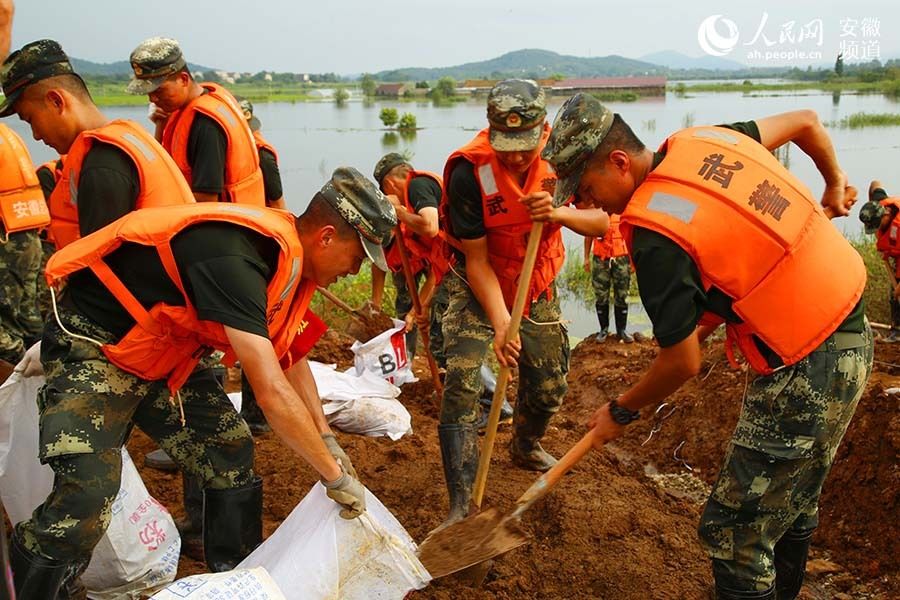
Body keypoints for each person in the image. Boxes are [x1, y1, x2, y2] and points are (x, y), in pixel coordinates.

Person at [540, 93, 871, 600]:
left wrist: (620, 410)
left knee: (733, 531)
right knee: (793, 502)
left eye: (584, 189)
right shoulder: (706, 142)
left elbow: (683, 363)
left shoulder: (651, 234)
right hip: (850, 327)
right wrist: (831, 182)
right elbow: (806, 122)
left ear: (620, 162)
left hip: (804, 363)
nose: (584, 204)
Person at [7, 167, 394, 598]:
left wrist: (327, 439)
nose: (354, 271)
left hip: (161, 351)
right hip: (97, 347)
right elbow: (270, 390)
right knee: (85, 499)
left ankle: (239, 581)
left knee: (227, 447)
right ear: (326, 236)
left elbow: (291, 355)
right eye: (357, 259)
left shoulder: (288, 265)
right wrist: (332, 476)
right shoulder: (238, 259)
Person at [438, 79, 607, 526]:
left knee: (549, 384)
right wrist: (500, 323)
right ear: (490, 128)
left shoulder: (565, 158)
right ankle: (460, 504)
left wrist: (559, 214)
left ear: (543, 129)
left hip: (537, 281)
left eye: (525, 147)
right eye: (506, 145)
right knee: (462, 379)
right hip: (481, 284)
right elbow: (476, 260)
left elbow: (603, 220)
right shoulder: (467, 172)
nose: (514, 157)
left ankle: (525, 445)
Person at [0, 40, 195, 251]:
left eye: (30, 120)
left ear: (56, 101)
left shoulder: (102, 163)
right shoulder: (129, 138)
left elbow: (101, 270)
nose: (36, 135)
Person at [126, 37, 264, 205]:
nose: (153, 98)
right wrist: (160, 127)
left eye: (159, 91)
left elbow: (207, 200)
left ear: (183, 79)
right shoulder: (183, 110)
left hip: (223, 226)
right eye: (148, 92)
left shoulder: (205, 124)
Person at [371, 152, 442, 360]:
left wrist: (419, 309)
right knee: (404, 312)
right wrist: (375, 303)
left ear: (389, 184)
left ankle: (451, 373)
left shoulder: (418, 188)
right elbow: (379, 257)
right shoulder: (394, 214)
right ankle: (406, 359)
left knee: (440, 321)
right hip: (407, 265)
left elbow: (431, 231)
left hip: (441, 265)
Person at [0, 123, 47, 366]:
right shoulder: (7, 133)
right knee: (28, 316)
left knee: (6, 324)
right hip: (25, 234)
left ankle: (16, 379)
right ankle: (39, 373)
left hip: (6, 240)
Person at [859, 180, 900, 342]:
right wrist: (872, 200)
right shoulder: (879, 204)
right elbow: (875, 184)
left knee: (897, 291)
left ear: (886, 213)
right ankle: (897, 331)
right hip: (897, 255)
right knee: (894, 293)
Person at [583, 213, 633, 343]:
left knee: (622, 294)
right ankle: (603, 330)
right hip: (600, 259)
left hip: (622, 258)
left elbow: (632, 236)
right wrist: (586, 258)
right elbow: (588, 235)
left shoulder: (624, 211)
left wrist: (633, 261)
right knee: (601, 295)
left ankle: (621, 330)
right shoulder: (597, 213)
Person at [238, 97, 286, 209]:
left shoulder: (262, 154)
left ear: (247, 115)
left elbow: (278, 204)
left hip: (260, 218)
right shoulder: (231, 148)